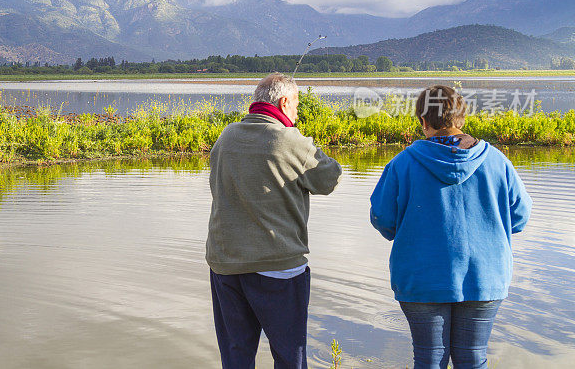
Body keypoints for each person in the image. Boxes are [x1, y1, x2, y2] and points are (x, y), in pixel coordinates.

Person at [370, 85, 532, 369]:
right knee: (473, 358)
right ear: (462, 118)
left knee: (429, 360)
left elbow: (383, 219)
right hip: (485, 277)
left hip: (422, 279)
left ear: (423, 121)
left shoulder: (402, 163)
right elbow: (520, 216)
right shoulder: (497, 161)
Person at [206, 72, 343, 369]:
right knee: (289, 358)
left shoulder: (226, 135)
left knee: (236, 358)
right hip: (278, 267)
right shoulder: (289, 139)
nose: (295, 114)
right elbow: (329, 178)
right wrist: (306, 143)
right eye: (295, 107)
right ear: (283, 102)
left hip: (225, 264)